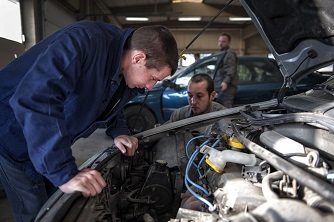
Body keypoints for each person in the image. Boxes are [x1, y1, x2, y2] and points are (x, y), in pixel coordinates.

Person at [0, 20, 178, 222]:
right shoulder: (84, 41)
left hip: (44, 140)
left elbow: (109, 99)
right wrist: (63, 172)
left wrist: (119, 130)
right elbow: (36, 98)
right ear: (138, 58)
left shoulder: (123, 69)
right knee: (38, 213)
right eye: (153, 78)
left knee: (58, 204)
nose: (150, 87)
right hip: (11, 136)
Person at [214, 32, 238, 108]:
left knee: (225, 110)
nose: (220, 43)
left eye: (223, 41)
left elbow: (230, 70)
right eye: (219, 41)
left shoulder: (229, 54)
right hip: (220, 87)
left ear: (228, 43)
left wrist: (225, 82)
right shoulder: (221, 54)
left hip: (226, 88)